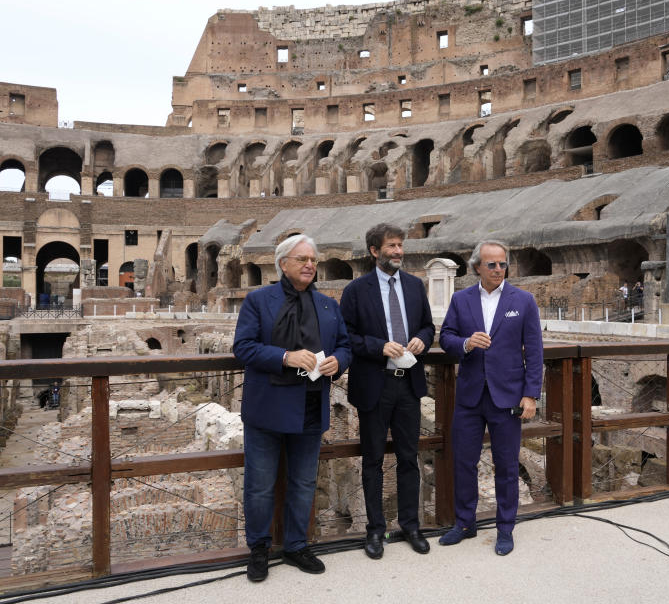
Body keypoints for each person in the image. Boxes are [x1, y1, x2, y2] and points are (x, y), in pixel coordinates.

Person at [232, 234, 351, 583]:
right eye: (302, 259)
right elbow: (244, 347)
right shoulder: (259, 301)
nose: (310, 265)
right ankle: (259, 548)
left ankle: (296, 545)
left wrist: (337, 363)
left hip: (311, 404)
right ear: (283, 264)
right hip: (268, 405)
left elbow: (345, 346)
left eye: (313, 259)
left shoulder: (329, 305)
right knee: (260, 484)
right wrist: (285, 356)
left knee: (303, 481)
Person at [438, 240, 543, 556]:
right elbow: (445, 338)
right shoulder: (461, 299)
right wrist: (467, 343)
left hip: (508, 396)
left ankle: (505, 528)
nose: (498, 269)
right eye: (492, 264)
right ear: (477, 268)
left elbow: (535, 352)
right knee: (464, 462)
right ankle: (465, 523)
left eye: (502, 264)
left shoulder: (523, 301)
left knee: (507, 465)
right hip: (470, 395)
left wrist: (530, 395)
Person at [340, 223, 435, 560]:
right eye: (391, 246)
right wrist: (379, 346)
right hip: (374, 386)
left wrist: (423, 339)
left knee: (410, 459)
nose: (398, 251)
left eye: (400, 245)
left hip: (408, 385)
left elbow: (428, 324)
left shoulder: (414, 285)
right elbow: (346, 337)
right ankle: (375, 530)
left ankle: (410, 526)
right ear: (374, 251)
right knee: (373, 461)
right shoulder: (356, 291)